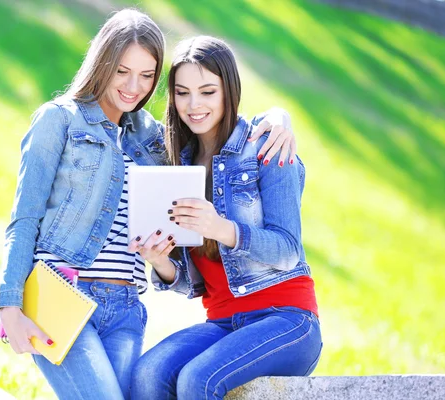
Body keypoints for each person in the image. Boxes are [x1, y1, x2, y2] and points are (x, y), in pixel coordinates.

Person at [0, 9, 297, 400]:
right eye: (122, 71)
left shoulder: (153, 140)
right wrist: (9, 306)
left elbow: (215, 131)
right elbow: (25, 217)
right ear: (101, 62)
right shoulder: (60, 121)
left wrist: (278, 118)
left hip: (125, 309)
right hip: (63, 294)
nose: (133, 86)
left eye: (147, 75)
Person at [129, 36, 322, 400]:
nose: (194, 104)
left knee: (197, 380)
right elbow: (193, 284)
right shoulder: (179, 165)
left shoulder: (267, 147)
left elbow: (287, 250)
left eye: (207, 92)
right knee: (147, 374)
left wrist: (220, 227)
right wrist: (161, 264)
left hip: (287, 320)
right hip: (222, 323)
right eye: (182, 93)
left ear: (228, 91)